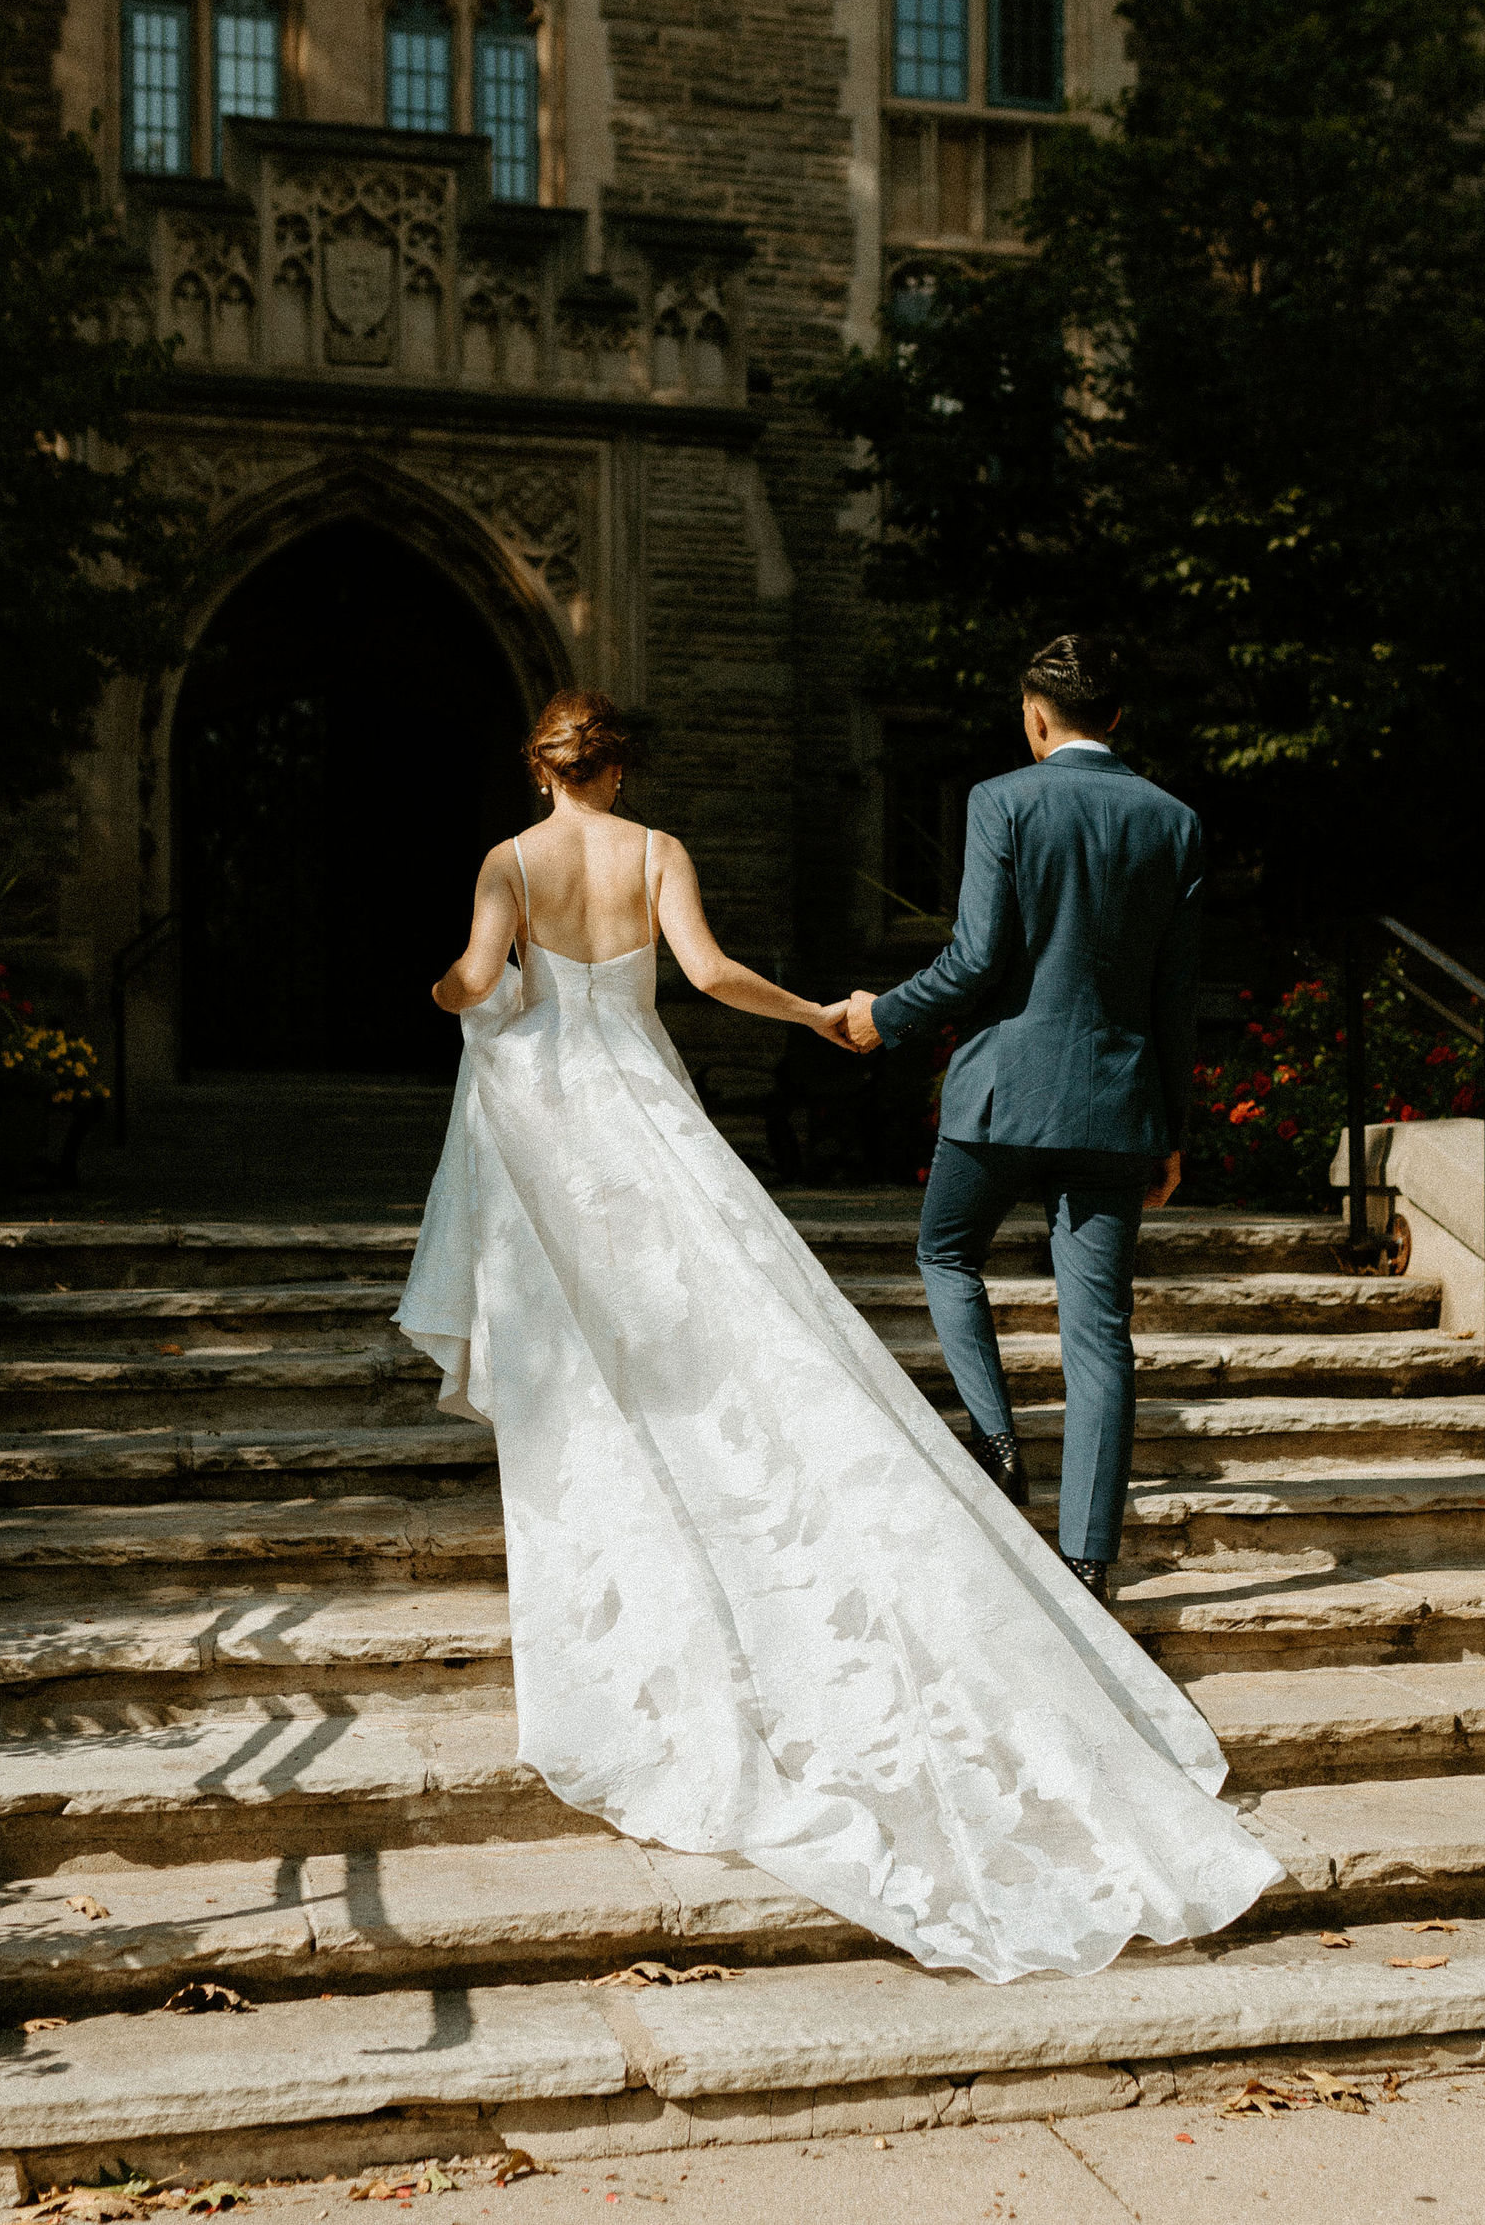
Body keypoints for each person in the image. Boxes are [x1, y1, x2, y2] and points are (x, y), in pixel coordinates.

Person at [395, 685, 1277, 1985]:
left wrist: (450, 980)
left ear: (542, 771)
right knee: (721, 1312)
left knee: (590, 1352)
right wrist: (814, 1012)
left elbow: (474, 981)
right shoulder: (656, 854)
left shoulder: (508, 864)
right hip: (647, 1105)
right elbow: (705, 976)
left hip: (550, 1116)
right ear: (620, 769)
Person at [843, 634, 1201, 1609]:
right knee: (1100, 1337)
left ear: (1035, 717)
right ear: (1117, 717)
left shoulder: (1001, 799)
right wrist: (1171, 1126)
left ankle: (996, 1444)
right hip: (1116, 1103)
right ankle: (1088, 1564)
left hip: (1001, 1093)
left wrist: (883, 1016)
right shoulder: (1173, 822)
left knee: (946, 1253)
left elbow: (972, 959)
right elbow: (1175, 993)